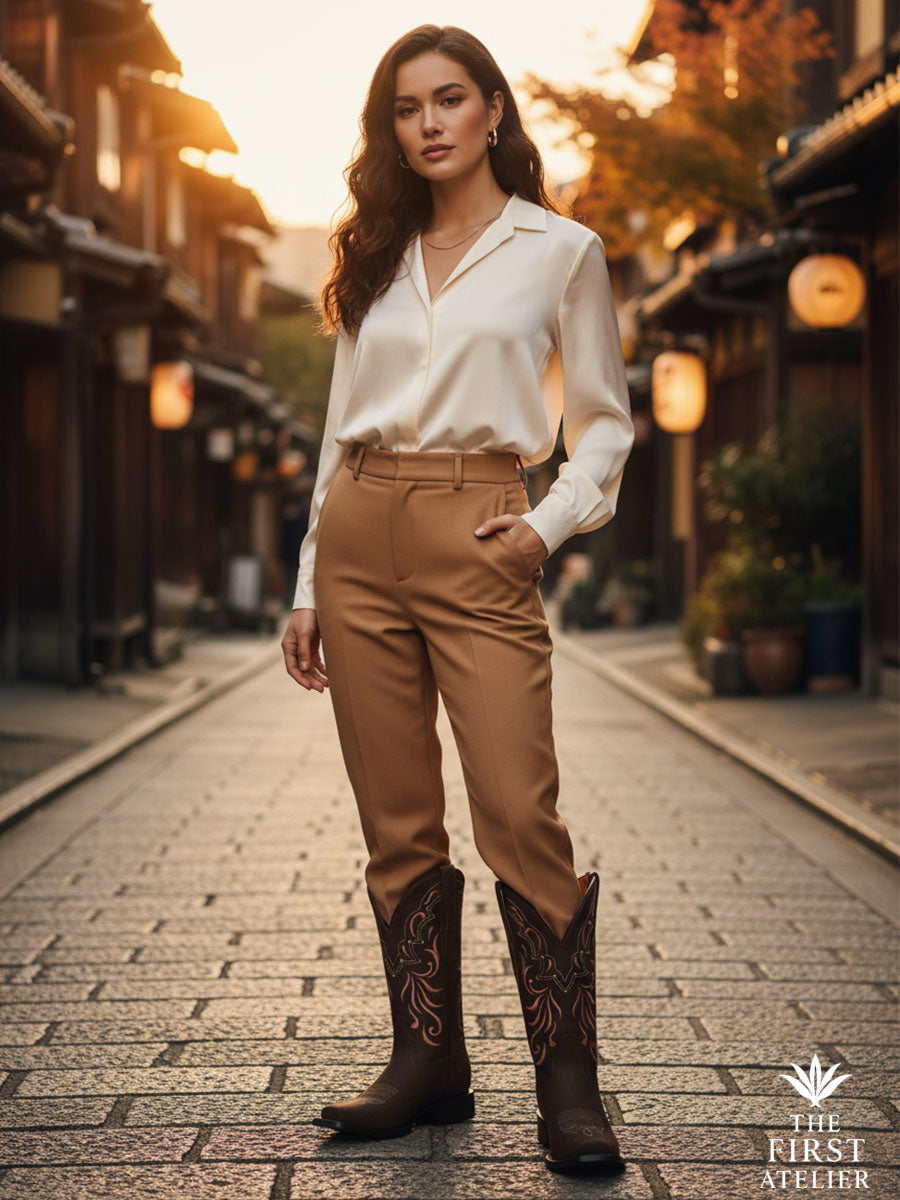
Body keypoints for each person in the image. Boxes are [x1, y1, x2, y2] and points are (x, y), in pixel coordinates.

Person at [280, 23, 634, 1175]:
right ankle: (426, 1061)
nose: (427, 123)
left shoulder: (561, 251)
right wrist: (306, 583)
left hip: (483, 526)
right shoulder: (371, 248)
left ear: (492, 110)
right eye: (404, 107)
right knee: (396, 817)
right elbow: (339, 423)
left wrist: (542, 526)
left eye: (448, 100)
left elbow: (606, 424)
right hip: (360, 528)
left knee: (518, 808)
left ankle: (569, 1085)